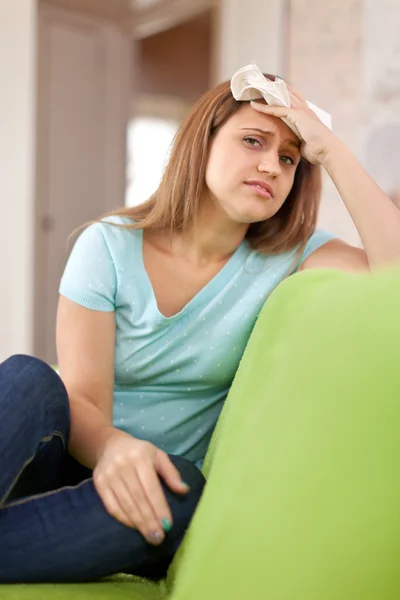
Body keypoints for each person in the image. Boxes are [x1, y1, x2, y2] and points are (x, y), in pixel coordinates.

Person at [1, 72, 400, 584]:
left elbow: (393, 278)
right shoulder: (107, 247)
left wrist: (331, 149)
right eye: (253, 141)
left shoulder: (295, 257)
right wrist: (117, 448)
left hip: (144, 503)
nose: (270, 166)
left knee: (181, 484)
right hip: (75, 462)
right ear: (203, 142)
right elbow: (85, 400)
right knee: (30, 378)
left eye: (289, 158)